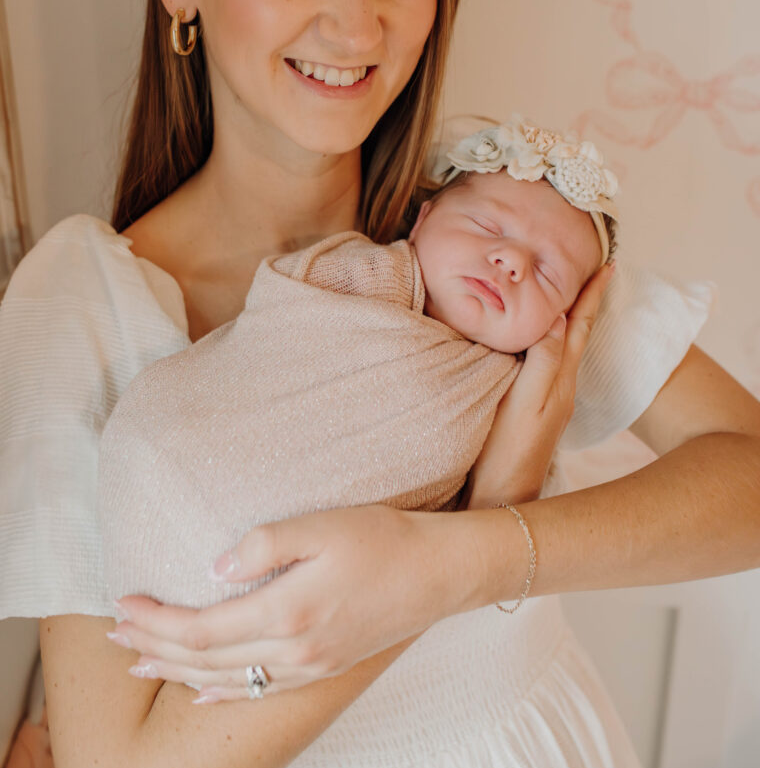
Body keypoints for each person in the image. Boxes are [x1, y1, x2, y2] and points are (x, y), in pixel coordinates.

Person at [1, 0, 758, 768]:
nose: (358, 24)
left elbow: (750, 480)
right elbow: (117, 763)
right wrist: (468, 516)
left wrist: (472, 557)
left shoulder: (489, 228)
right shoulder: (86, 301)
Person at [98, 119, 618, 614]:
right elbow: (286, 315)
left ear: (564, 320)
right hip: (182, 447)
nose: (511, 261)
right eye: (486, 225)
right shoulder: (374, 275)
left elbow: (469, 510)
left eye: (547, 274)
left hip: (324, 570)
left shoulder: (516, 393)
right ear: (423, 219)